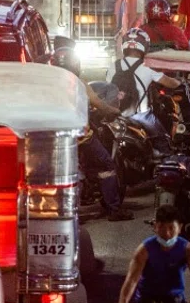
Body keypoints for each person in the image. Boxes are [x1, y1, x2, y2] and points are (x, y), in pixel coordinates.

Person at [51, 47, 134, 222]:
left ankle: (67, 211)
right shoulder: (78, 83)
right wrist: (115, 111)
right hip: (81, 138)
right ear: (76, 65)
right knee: (106, 166)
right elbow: (98, 104)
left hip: (54, 138)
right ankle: (114, 209)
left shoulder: (49, 84)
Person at [107, 28, 181, 153]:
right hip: (141, 116)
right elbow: (170, 83)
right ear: (144, 46)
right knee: (162, 139)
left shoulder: (113, 66)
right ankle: (163, 159)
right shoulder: (147, 67)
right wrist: (179, 82)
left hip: (117, 115)